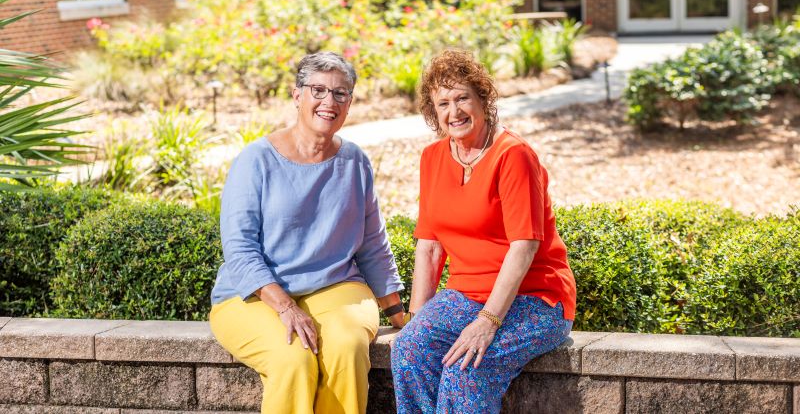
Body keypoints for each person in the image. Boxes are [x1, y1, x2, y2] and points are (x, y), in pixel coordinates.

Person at [209, 51, 406, 414]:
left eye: (340, 93)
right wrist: (285, 306)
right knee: (293, 359)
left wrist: (398, 315)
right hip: (253, 294)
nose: (328, 102)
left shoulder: (355, 162)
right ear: (297, 95)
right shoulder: (256, 160)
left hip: (336, 286)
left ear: (349, 103)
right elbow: (239, 249)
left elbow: (373, 244)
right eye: (318, 90)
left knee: (347, 347)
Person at [391, 49, 576, 413]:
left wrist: (487, 321)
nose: (454, 111)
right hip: (464, 295)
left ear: (483, 100)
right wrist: (417, 320)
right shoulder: (432, 158)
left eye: (463, 98)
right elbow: (429, 247)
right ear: (433, 112)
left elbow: (523, 245)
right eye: (443, 103)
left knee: (466, 370)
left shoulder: (513, 155)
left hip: (536, 299)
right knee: (410, 350)